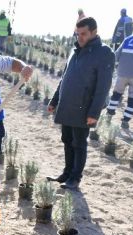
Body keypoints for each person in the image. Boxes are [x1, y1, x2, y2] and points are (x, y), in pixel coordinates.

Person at [47, 17, 114, 190]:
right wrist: (54, 101)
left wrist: (94, 112)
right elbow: (64, 79)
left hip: (84, 107)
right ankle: (67, 173)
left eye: (83, 34)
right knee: (67, 139)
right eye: (77, 34)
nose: (80, 38)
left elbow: (103, 86)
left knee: (79, 142)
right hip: (67, 104)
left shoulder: (104, 53)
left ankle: (75, 178)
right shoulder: (74, 50)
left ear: (94, 32)